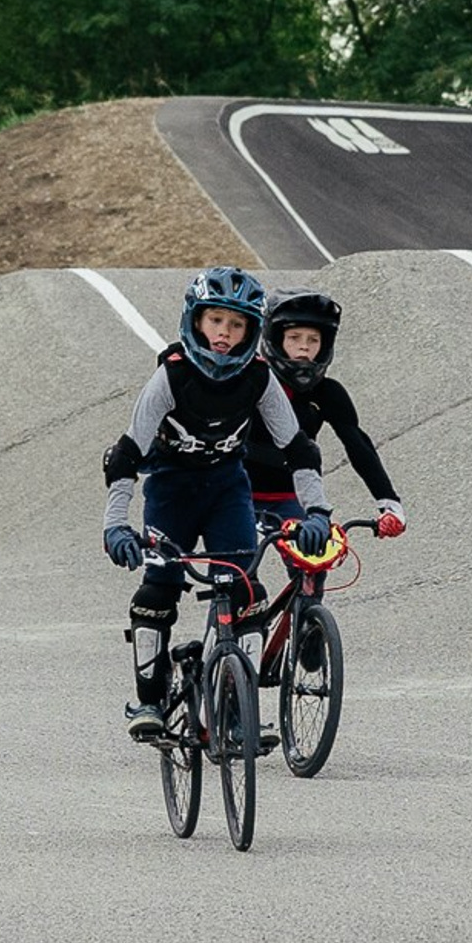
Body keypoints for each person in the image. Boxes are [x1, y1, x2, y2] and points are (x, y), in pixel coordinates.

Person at [101, 266, 330, 741]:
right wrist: (115, 525)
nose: (224, 334)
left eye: (237, 325)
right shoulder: (171, 375)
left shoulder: (260, 379)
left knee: (247, 593)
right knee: (157, 590)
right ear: (196, 321)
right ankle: (149, 700)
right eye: (216, 321)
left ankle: (234, 708)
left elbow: (299, 450)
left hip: (228, 489)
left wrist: (318, 513)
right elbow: (125, 455)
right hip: (171, 491)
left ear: (251, 332)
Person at [247, 290, 407, 541]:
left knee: (314, 563)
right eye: (294, 337)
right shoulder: (249, 381)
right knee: (239, 573)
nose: (304, 346)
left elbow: (358, 446)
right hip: (239, 495)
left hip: (296, 497)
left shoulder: (328, 393)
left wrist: (389, 503)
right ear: (275, 340)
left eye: (313, 340)